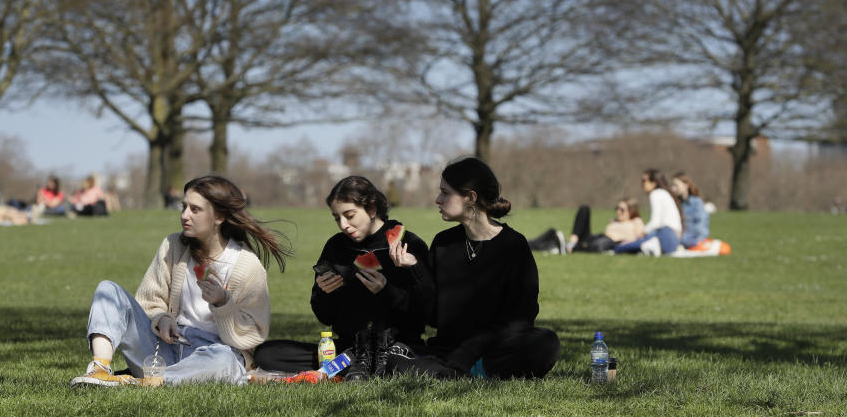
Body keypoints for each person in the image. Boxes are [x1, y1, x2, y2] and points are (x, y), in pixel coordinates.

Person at [69, 175, 290, 387]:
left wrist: (224, 303)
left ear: (219, 217)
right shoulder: (174, 245)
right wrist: (162, 318)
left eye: (195, 209)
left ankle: (147, 382)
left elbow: (252, 335)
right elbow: (149, 300)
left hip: (213, 355)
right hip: (164, 350)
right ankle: (100, 370)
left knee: (223, 360)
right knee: (108, 289)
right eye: (184, 207)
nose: (185, 215)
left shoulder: (247, 265)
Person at [388, 157, 560, 379]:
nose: (437, 200)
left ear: (470, 197)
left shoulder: (513, 245)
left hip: (493, 350)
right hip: (446, 351)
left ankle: (458, 372)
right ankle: (459, 373)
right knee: (392, 356)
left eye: (445, 192)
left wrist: (469, 352)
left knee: (546, 343)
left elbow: (521, 319)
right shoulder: (443, 243)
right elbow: (433, 316)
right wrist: (414, 269)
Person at [252, 176, 430, 379]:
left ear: (371, 209)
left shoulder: (409, 244)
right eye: (337, 218)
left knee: (406, 361)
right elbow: (325, 316)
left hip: (398, 347)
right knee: (267, 353)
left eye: (350, 215)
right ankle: (357, 364)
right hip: (350, 347)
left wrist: (389, 292)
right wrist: (325, 294)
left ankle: (367, 366)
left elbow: (425, 313)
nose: (343, 225)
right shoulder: (336, 247)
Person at [529, 198, 646, 254]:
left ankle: (565, 247)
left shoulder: (636, 221)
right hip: (596, 239)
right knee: (584, 209)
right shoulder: (616, 221)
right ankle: (570, 244)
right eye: (617, 208)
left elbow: (641, 237)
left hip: (606, 243)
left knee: (553, 241)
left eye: (622, 209)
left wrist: (626, 242)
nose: (618, 211)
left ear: (631, 211)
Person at [614, 168, 683, 255]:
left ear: (654, 183)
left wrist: (639, 235)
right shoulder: (664, 193)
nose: (642, 184)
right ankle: (650, 246)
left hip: (666, 235)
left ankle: (650, 246)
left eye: (644, 180)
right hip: (674, 240)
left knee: (620, 248)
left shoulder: (656, 194)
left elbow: (656, 222)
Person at [670, 172, 710, 248]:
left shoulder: (696, 202)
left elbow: (702, 223)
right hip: (681, 236)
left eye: (676, 185)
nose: (673, 188)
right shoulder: (676, 203)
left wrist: (699, 241)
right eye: (672, 185)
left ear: (686, 185)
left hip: (692, 238)